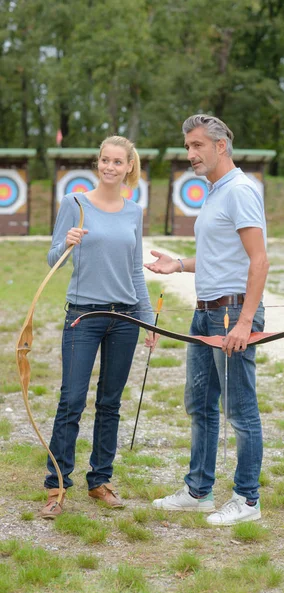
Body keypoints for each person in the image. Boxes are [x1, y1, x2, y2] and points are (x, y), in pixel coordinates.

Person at [145, 115, 269, 526]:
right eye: (187, 147)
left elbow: (258, 260)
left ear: (221, 146)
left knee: (240, 410)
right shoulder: (214, 192)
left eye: (197, 145)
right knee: (200, 405)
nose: (190, 154)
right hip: (205, 314)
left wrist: (244, 321)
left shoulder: (240, 191)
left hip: (232, 315)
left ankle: (247, 500)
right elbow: (218, 257)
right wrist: (178, 264)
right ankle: (198, 491)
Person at [41, 135, 156, 519]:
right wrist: (67, 243)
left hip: (125, 319)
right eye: (104, 160)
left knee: (110, 403)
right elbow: (52, 258)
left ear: (128, 167)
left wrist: (149, 320)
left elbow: (135, 270)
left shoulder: (134, 212)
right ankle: (56, 485)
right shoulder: (74, 204)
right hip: (83, 316)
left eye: (117, 161)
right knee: (71, 400)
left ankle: (100, 481)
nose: (109, 166)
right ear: (98, 163)